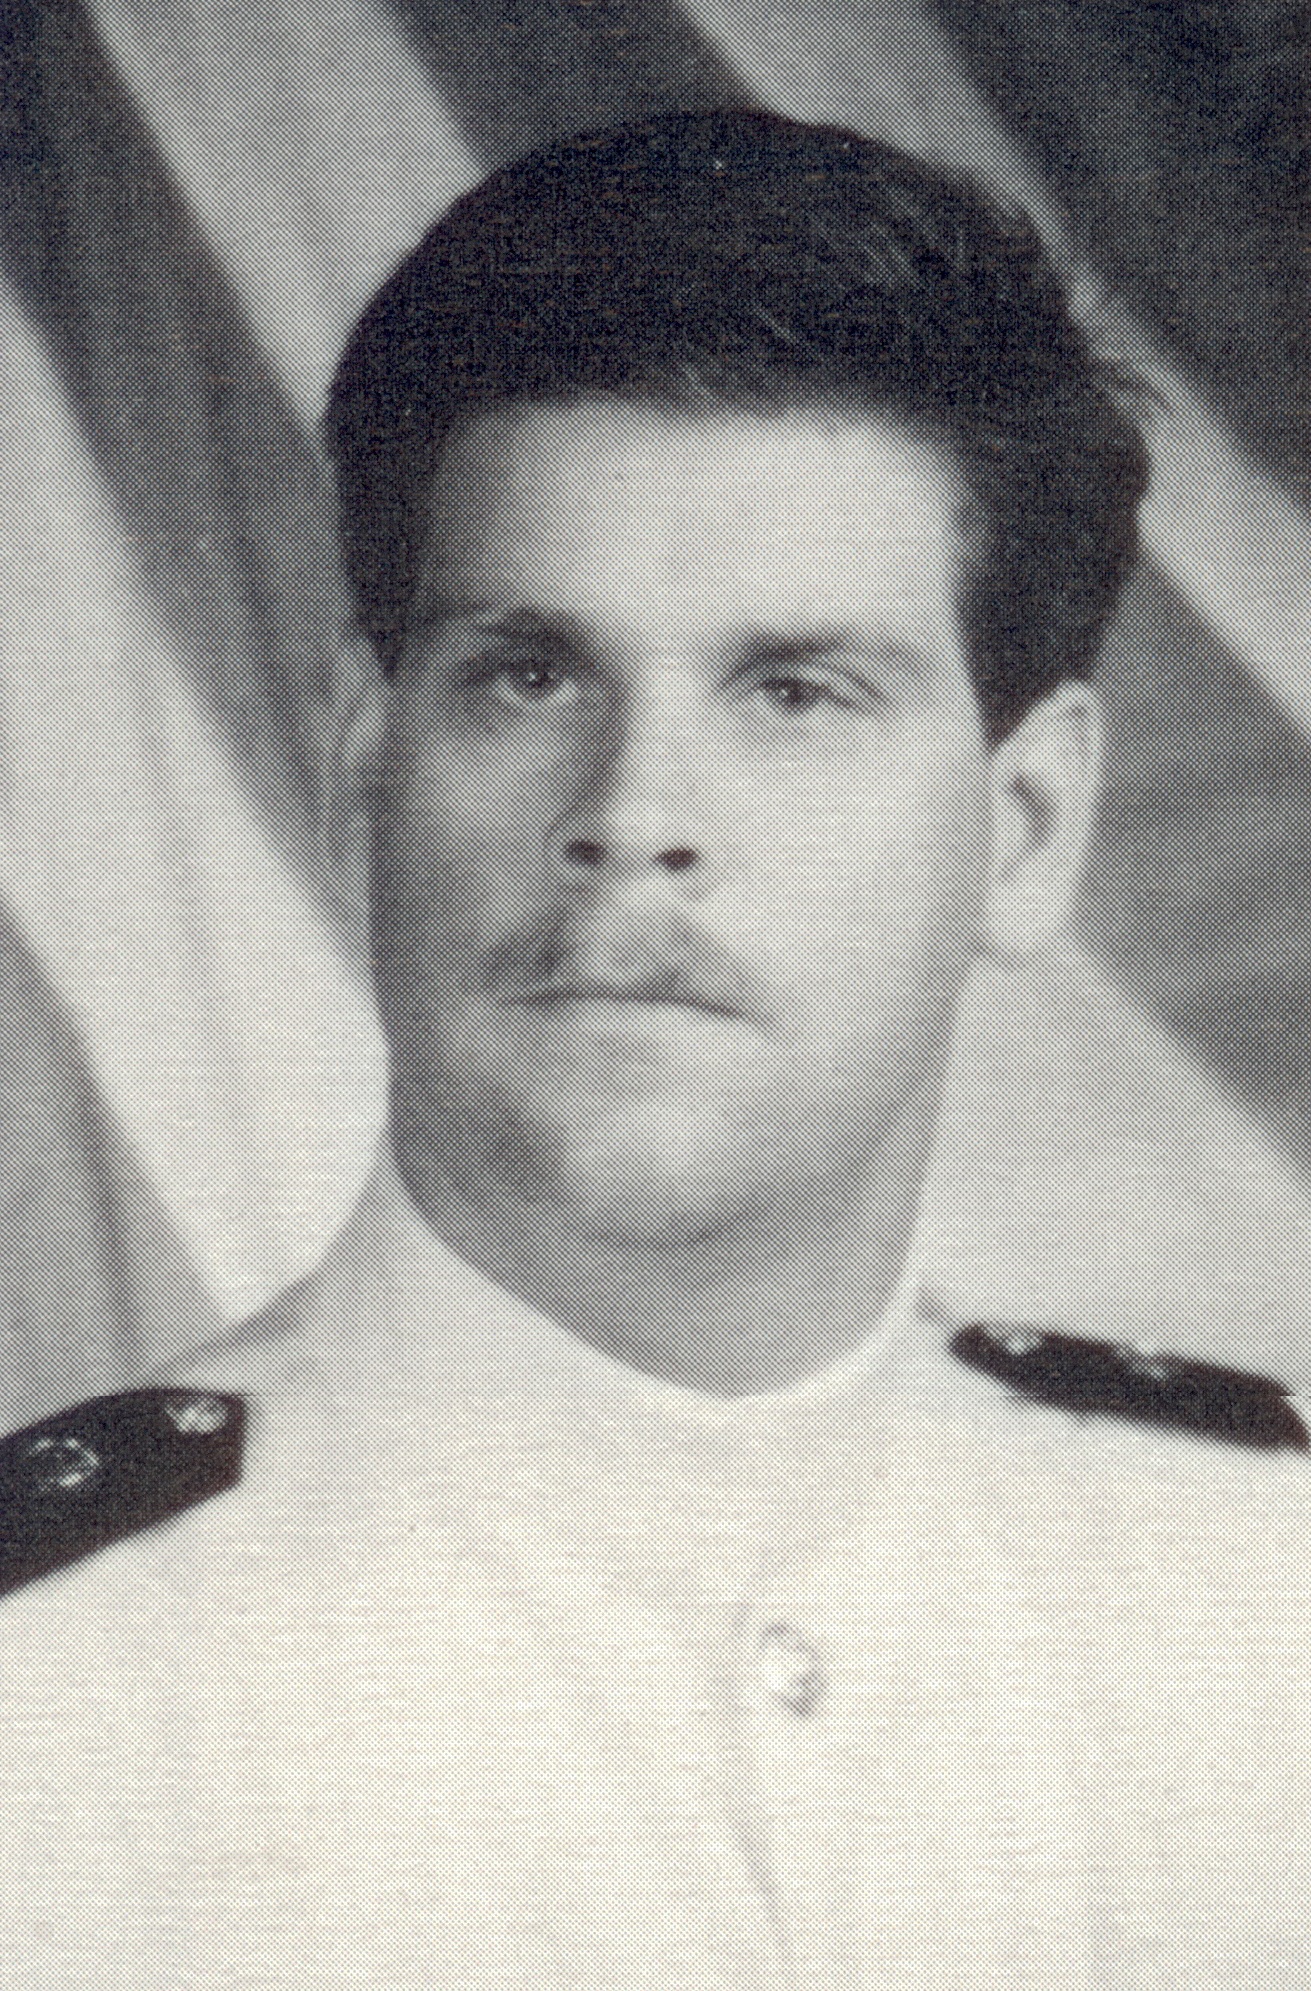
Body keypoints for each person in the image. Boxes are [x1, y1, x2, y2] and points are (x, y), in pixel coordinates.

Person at [3, 107, 1309, 1989]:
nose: (633, 814)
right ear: (366, 767)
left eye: (795, 692)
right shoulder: (45, 1700)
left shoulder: (1267, 1611)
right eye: (531, 675)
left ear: (1024, 831)